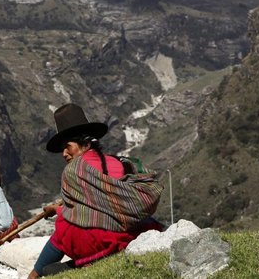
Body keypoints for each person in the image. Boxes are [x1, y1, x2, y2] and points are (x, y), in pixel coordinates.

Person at [28, 103, 164, 278]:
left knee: (63, 230)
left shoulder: (74, 171)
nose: (64, 153)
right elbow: (103, 207)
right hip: (133, 235)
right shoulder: (119, 162)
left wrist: (62, 213)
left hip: (106, 244)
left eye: (67, 146)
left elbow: (84, 216)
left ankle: (34, 274)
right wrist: (59, 209)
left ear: (84, 143)